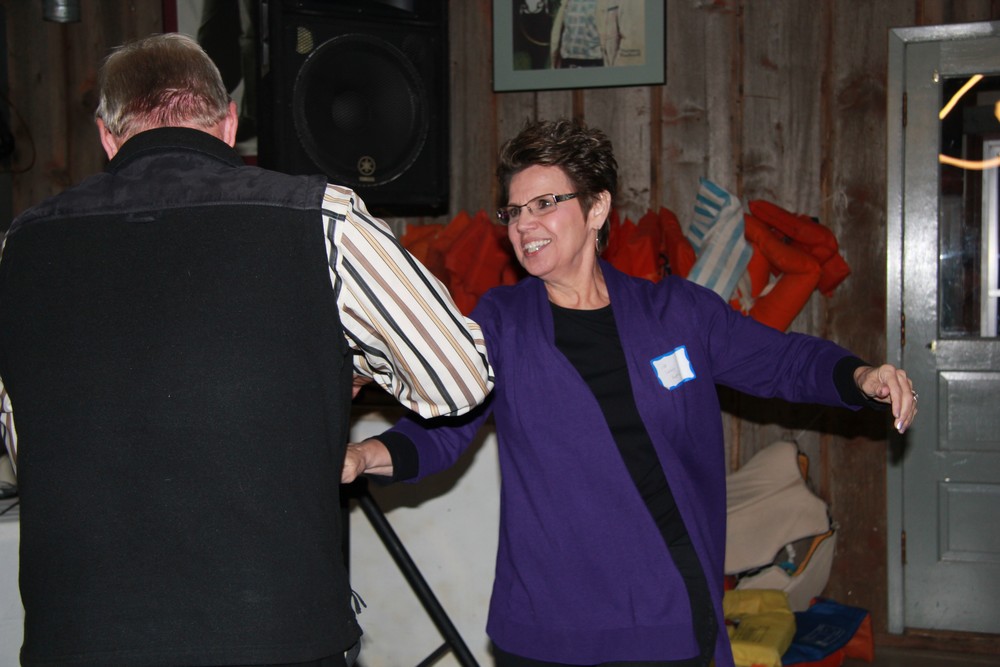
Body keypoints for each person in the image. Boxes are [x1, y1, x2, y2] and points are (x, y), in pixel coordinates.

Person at [342, 119, 918, 667]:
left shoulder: (676, 313)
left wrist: (860, 378)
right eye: (514, 211)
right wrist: (365, 456)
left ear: (597, 208)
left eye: (544, 204)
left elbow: (782, 361)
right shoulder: (501, 321)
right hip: (548, 623)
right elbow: (446, 428)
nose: (523, 225)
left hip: (663, 613)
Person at [0, 33, 493, 667]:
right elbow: (460, 378)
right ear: (229, 124)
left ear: (107, 136)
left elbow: (24, 437)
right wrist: (347, 362)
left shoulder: (20, 249)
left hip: (79, 636)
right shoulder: (322, 218)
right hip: (270, 633)